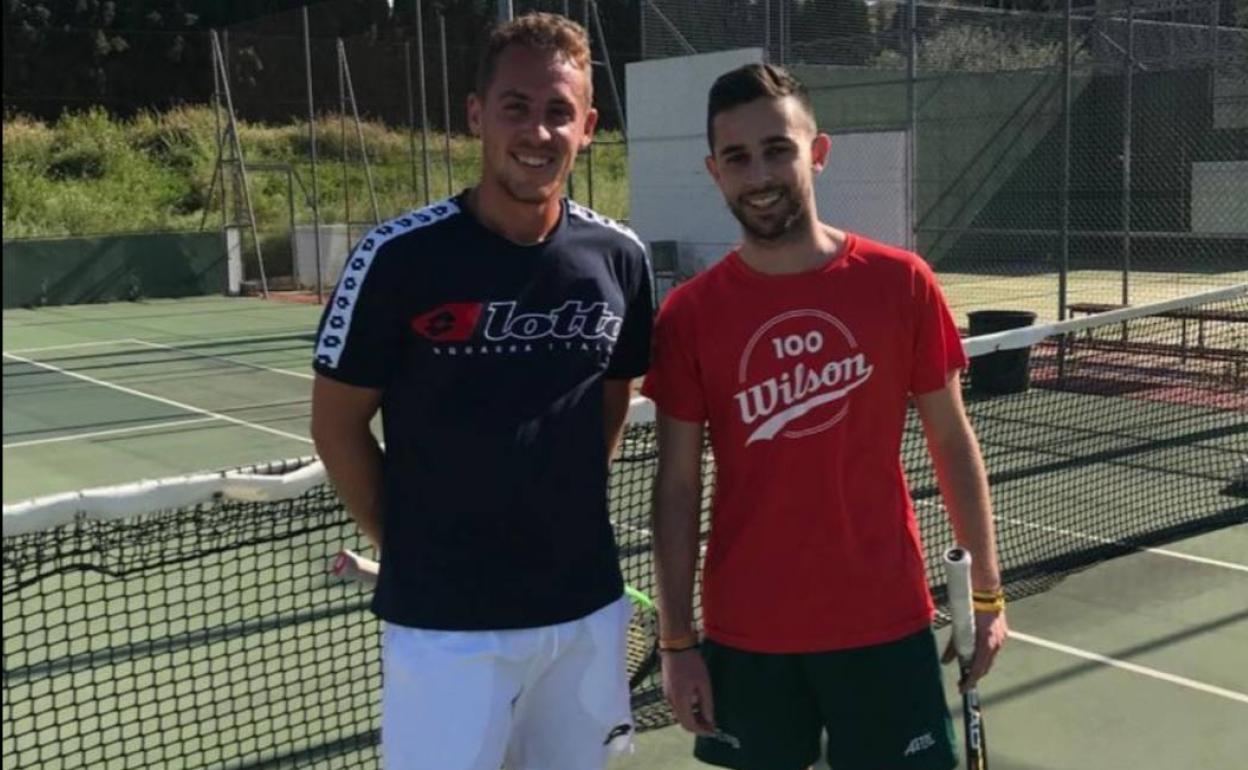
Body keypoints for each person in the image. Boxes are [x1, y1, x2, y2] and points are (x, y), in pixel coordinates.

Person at [309, 13, 653, 770]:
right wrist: (406, 548)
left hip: (585, 613)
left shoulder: (620, 259)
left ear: (588, 125)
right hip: (445, 628)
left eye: (559, 111)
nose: (538, 131)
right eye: (516, 107)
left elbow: (613, 396)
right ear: (476, 115)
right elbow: (336, 428)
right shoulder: (397, 258)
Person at [643, 63, 1009, 770]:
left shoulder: (900, 281)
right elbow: (677, 486)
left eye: (778, 148)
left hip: (884, 623)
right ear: (713, 171)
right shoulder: (689, 315)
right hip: (746, 635)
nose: (760, 174)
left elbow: (952, 441)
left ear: (818, 151)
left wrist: (988, 594)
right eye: (738, 157)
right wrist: (678, 642)